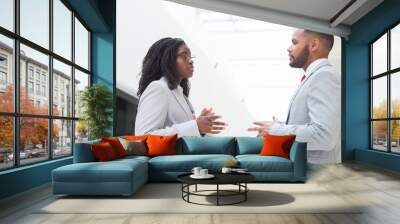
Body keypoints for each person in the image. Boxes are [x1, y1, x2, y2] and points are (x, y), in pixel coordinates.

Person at [248, 29, 341, 164]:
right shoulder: (313, 77)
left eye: (294, 43)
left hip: (315, 173)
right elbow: (310, 124)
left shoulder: (324, 76)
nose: (289, 49)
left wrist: (275, 130)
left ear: (314, 45)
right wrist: (278, 127)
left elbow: (324, 136)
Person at [135, 37, 226, 137]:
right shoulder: (158, 88)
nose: (191, 61)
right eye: (184, 55)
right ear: (168, 60)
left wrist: (198, 126)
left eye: (190, 56)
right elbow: (144, 135)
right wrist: (195, 126)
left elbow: (184, 132)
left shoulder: (180, 95)